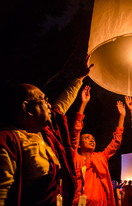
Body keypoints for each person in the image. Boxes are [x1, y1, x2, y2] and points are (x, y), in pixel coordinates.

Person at [0, 56, 93, 206]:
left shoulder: (46, 133)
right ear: (27, 108)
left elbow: (62, 104)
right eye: (44, 100)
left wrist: (80, 78)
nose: (49, 105)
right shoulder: (8, 141)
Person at [70, 85, 126, 206]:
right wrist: (83, 104)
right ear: (79, 145)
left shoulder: (100, 157)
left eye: (93, 139)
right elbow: (76, 130)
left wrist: (122, 117)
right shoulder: (74, 157)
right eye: (87, 138)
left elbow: (115, 143)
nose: (91, 140)